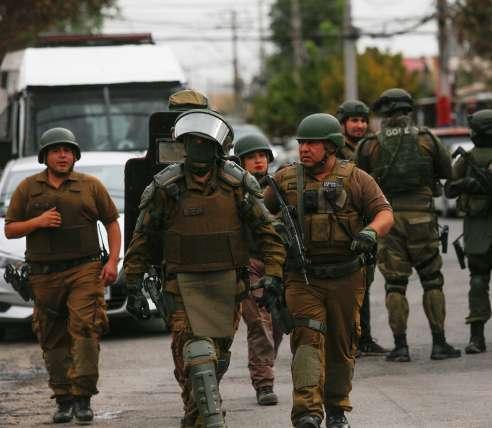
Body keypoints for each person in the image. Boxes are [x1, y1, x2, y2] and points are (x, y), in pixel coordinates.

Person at [123, 109, 286, 428]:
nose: (198, 148)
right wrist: (133, 284)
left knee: (217, 358)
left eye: (204, 142)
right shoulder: (166, 186)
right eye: (192, 142)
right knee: (196, 354)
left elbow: (268, 233)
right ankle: (208, 418)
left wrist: (274, 275)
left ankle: (195, 410)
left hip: (228, 286)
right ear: (183, 146)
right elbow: (142, 239)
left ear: (216, 147)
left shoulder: (237, 183)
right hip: (181, 286)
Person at [264, 113, 394, 428]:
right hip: (303, 277)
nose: (304, 149)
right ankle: (307, 412)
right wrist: (273, 232)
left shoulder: (357, 178)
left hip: (346, 276)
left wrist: (370, 232)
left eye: (312, 143)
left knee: (341, 344)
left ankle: (336, 409)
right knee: (307, 340)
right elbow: (259, 216)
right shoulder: (284, 180)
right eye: (301, 143)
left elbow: (385, 213)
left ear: (331, 146)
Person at [4, 127, 121, 424]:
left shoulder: (90, 186)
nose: (62, 155)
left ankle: (83, 397)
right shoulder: (28, 188)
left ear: (75, 156)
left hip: (85, 270)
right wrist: (38, 221)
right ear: (45, 156)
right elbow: (10, 229)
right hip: (44, 275)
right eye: (56, 150)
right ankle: (63, 399)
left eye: (67, 150)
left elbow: (112, 222)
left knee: (86, 328)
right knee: (52, 336)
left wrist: (112, 262)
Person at [356, 88, 462, 363]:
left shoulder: (369, 145)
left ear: (383, 113)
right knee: (432, 280)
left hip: (387, 220)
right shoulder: (426, 139)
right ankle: (439, 344)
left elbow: (359, 184)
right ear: (409, 110)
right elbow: (448, 173)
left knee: (395, 284)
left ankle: (400, 347)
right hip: (423, 218)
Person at [233, 133, 284, 406]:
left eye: (262, 155)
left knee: (278, 323)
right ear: (240, 162)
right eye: (251, 157)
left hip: (278, 263)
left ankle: (264, 366)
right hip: (249, 263)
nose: (258, 161)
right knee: (259, 324)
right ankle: (264, 383)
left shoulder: (280, 187)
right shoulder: (234, 190)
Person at [335, 100, 388, 357]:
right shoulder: (335, 149)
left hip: (368, 223)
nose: (360, 125)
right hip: (344, 224)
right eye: (354, 120)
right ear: (343, 123)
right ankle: (347, 340)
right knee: (345, 287)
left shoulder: (372, 146)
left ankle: (363, 337)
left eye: (363, 120)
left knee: (364, 282)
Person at [444, 109, 492, 354]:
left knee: (478, 280)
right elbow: (451, 189)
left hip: (477, 229)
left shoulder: (467, 158)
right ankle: (476, 336)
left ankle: (477, 338)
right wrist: (469, 184)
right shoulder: (468, 158)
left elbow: (449, 190)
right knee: (477, 280)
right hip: (477, 225)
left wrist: (466, 184)